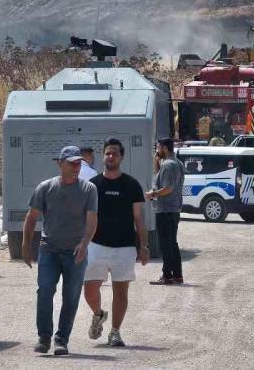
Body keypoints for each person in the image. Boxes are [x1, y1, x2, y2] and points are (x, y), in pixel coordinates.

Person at [22, 146, 98, 356]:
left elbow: (92, 220)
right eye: (72, 163)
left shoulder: (88, 189)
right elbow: (31, 217)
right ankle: (44, 337)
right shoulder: (46, 187)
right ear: (60, 164)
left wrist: (84, 243)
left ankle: (61, 340)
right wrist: (26, 247)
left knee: (71, 296)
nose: (76, 167)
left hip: (75, 252)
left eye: (79, 163)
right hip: (49, 249)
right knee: (45, 291)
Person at [83, 138, 149, 347]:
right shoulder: (92, 185)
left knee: (121, 292)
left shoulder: (132, 185)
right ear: (103, 156)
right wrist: (81, 243)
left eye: (114, 153)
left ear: (121, 157)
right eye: (107, 153)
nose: (110, 156)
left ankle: (115, 332)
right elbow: (85, 217)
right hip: (96, 245)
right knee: (89, 290)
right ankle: (98, 314)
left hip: (125, 247)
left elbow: (139, 218)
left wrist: (143, 246)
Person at [145, 137, 185, 285]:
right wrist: (156, 162)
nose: (157, 150)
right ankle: (177, 275)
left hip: (165, 210)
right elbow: (161, 180)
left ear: (165, 148)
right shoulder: (177, 163)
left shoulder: (168, 165)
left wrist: (152, 194)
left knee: (165, 245)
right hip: (173, 209)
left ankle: (167, 276)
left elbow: (167, 188)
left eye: (158, 147)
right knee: (172, 243)